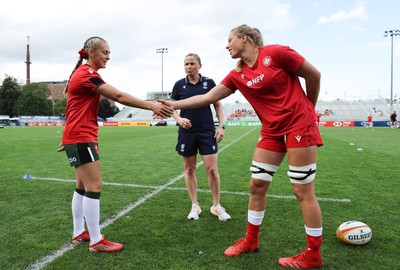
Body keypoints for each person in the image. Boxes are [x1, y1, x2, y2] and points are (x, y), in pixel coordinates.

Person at [159, 24, 323, 269]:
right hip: (271, 131)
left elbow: (314, 75)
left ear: (244, 39)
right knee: (256, 185)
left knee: (302, 191)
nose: (227, 45)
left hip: (299, 125)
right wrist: (173, 103)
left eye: (229, 40)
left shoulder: (277, 53)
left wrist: (308, 109)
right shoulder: (237, 74)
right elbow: (207, 98)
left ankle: (312, 254)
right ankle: (250, 240)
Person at [58, 36, 173, 253]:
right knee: (94, 186)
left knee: (82, 186)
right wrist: (151, 106)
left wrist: (68, 138)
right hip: (81, 137)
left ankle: (78, 232)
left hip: (76, 137)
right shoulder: (87, 75)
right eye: (105, 52)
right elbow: (119, 95)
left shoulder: (83, 74)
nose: (108, 57)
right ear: (92, 53)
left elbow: (73, 107)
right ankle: (95, 240)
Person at [171, 53, 231, 221]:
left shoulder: (209, 83)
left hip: (207, 131)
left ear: (199, 65)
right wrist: (179, 119)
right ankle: (195, 205)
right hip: (187, 133)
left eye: (192, 63)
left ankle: (216, 205)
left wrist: (221, 126)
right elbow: (171, 107)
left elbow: (218, 104)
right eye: (186, 64)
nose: (189, 66)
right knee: (189, 169)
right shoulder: (179, 85)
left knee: (212, 169)